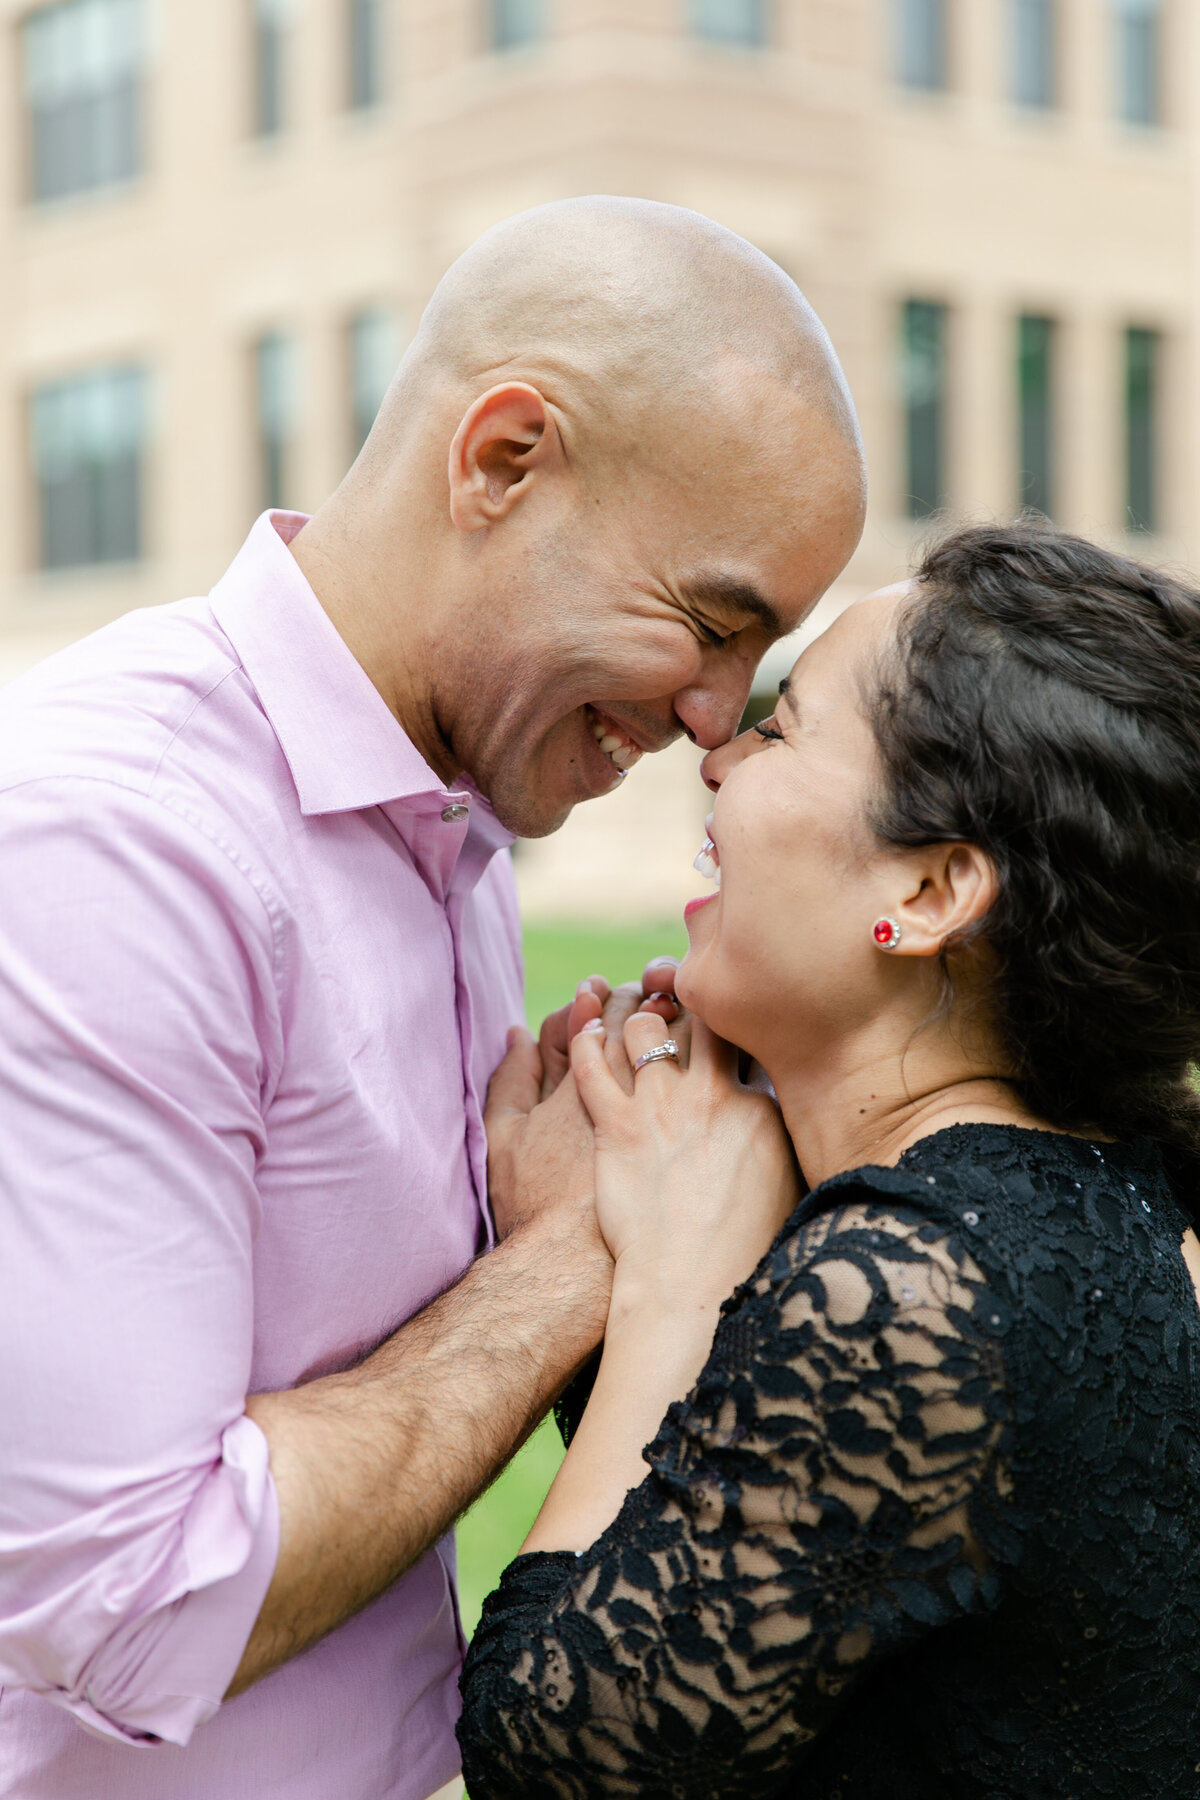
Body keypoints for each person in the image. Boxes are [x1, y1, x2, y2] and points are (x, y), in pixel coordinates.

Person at [0, 197, 866, 1800]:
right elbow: (127, 1606)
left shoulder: (453, 811)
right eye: (711, 620)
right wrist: (582, 1257)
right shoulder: (109, 844)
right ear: (503, 459)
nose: (713, 719)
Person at [458, 522, 1200, 1798]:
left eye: (783, 727)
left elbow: (551, 1761)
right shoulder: (1121, 1199)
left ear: (926, 896)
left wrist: (664, 1292)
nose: (717, 757)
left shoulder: (909, 1291)